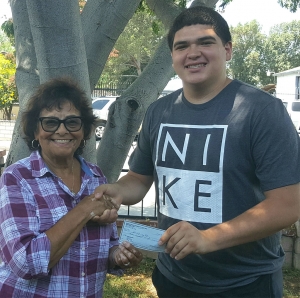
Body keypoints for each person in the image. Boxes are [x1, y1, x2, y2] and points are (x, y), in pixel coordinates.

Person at [95, 5, 300, 298]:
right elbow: (139, 179)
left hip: (245, 284)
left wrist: (208, 238)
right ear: (173, 57)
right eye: (182, 46)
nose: (193, 53)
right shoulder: (159, 112)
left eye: (205, 42)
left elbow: (287, 206)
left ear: (227, 50)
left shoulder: (262, 111)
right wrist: (117, 191)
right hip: (171, 278)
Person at [0, 77, 143, 297]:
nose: (62, 130)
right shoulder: (17, 178)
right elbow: (25, 263)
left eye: (72, 122)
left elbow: (109, 243)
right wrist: (84, 209)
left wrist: (118, 255)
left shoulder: (96, 176)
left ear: (84, 130)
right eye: (50, 122)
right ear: (35, 130)